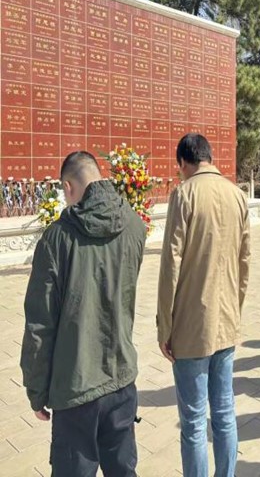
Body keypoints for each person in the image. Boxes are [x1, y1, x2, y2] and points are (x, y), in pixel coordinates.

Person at [20, 151, 146, 476]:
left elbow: (39, 324)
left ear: (68, 186)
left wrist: (37, 390)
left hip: (76, 389)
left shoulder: (56, 239)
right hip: (121, 379)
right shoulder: (134, 226)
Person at [157, 134, 250, 477]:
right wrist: (234, 309)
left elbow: (170, 265)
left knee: (194, 421)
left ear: (184, 162)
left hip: (191, 326)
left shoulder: (184, 195)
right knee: (224, 413)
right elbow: (244, 263)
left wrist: (165, 326)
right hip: (225, 322)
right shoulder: (237, 195)